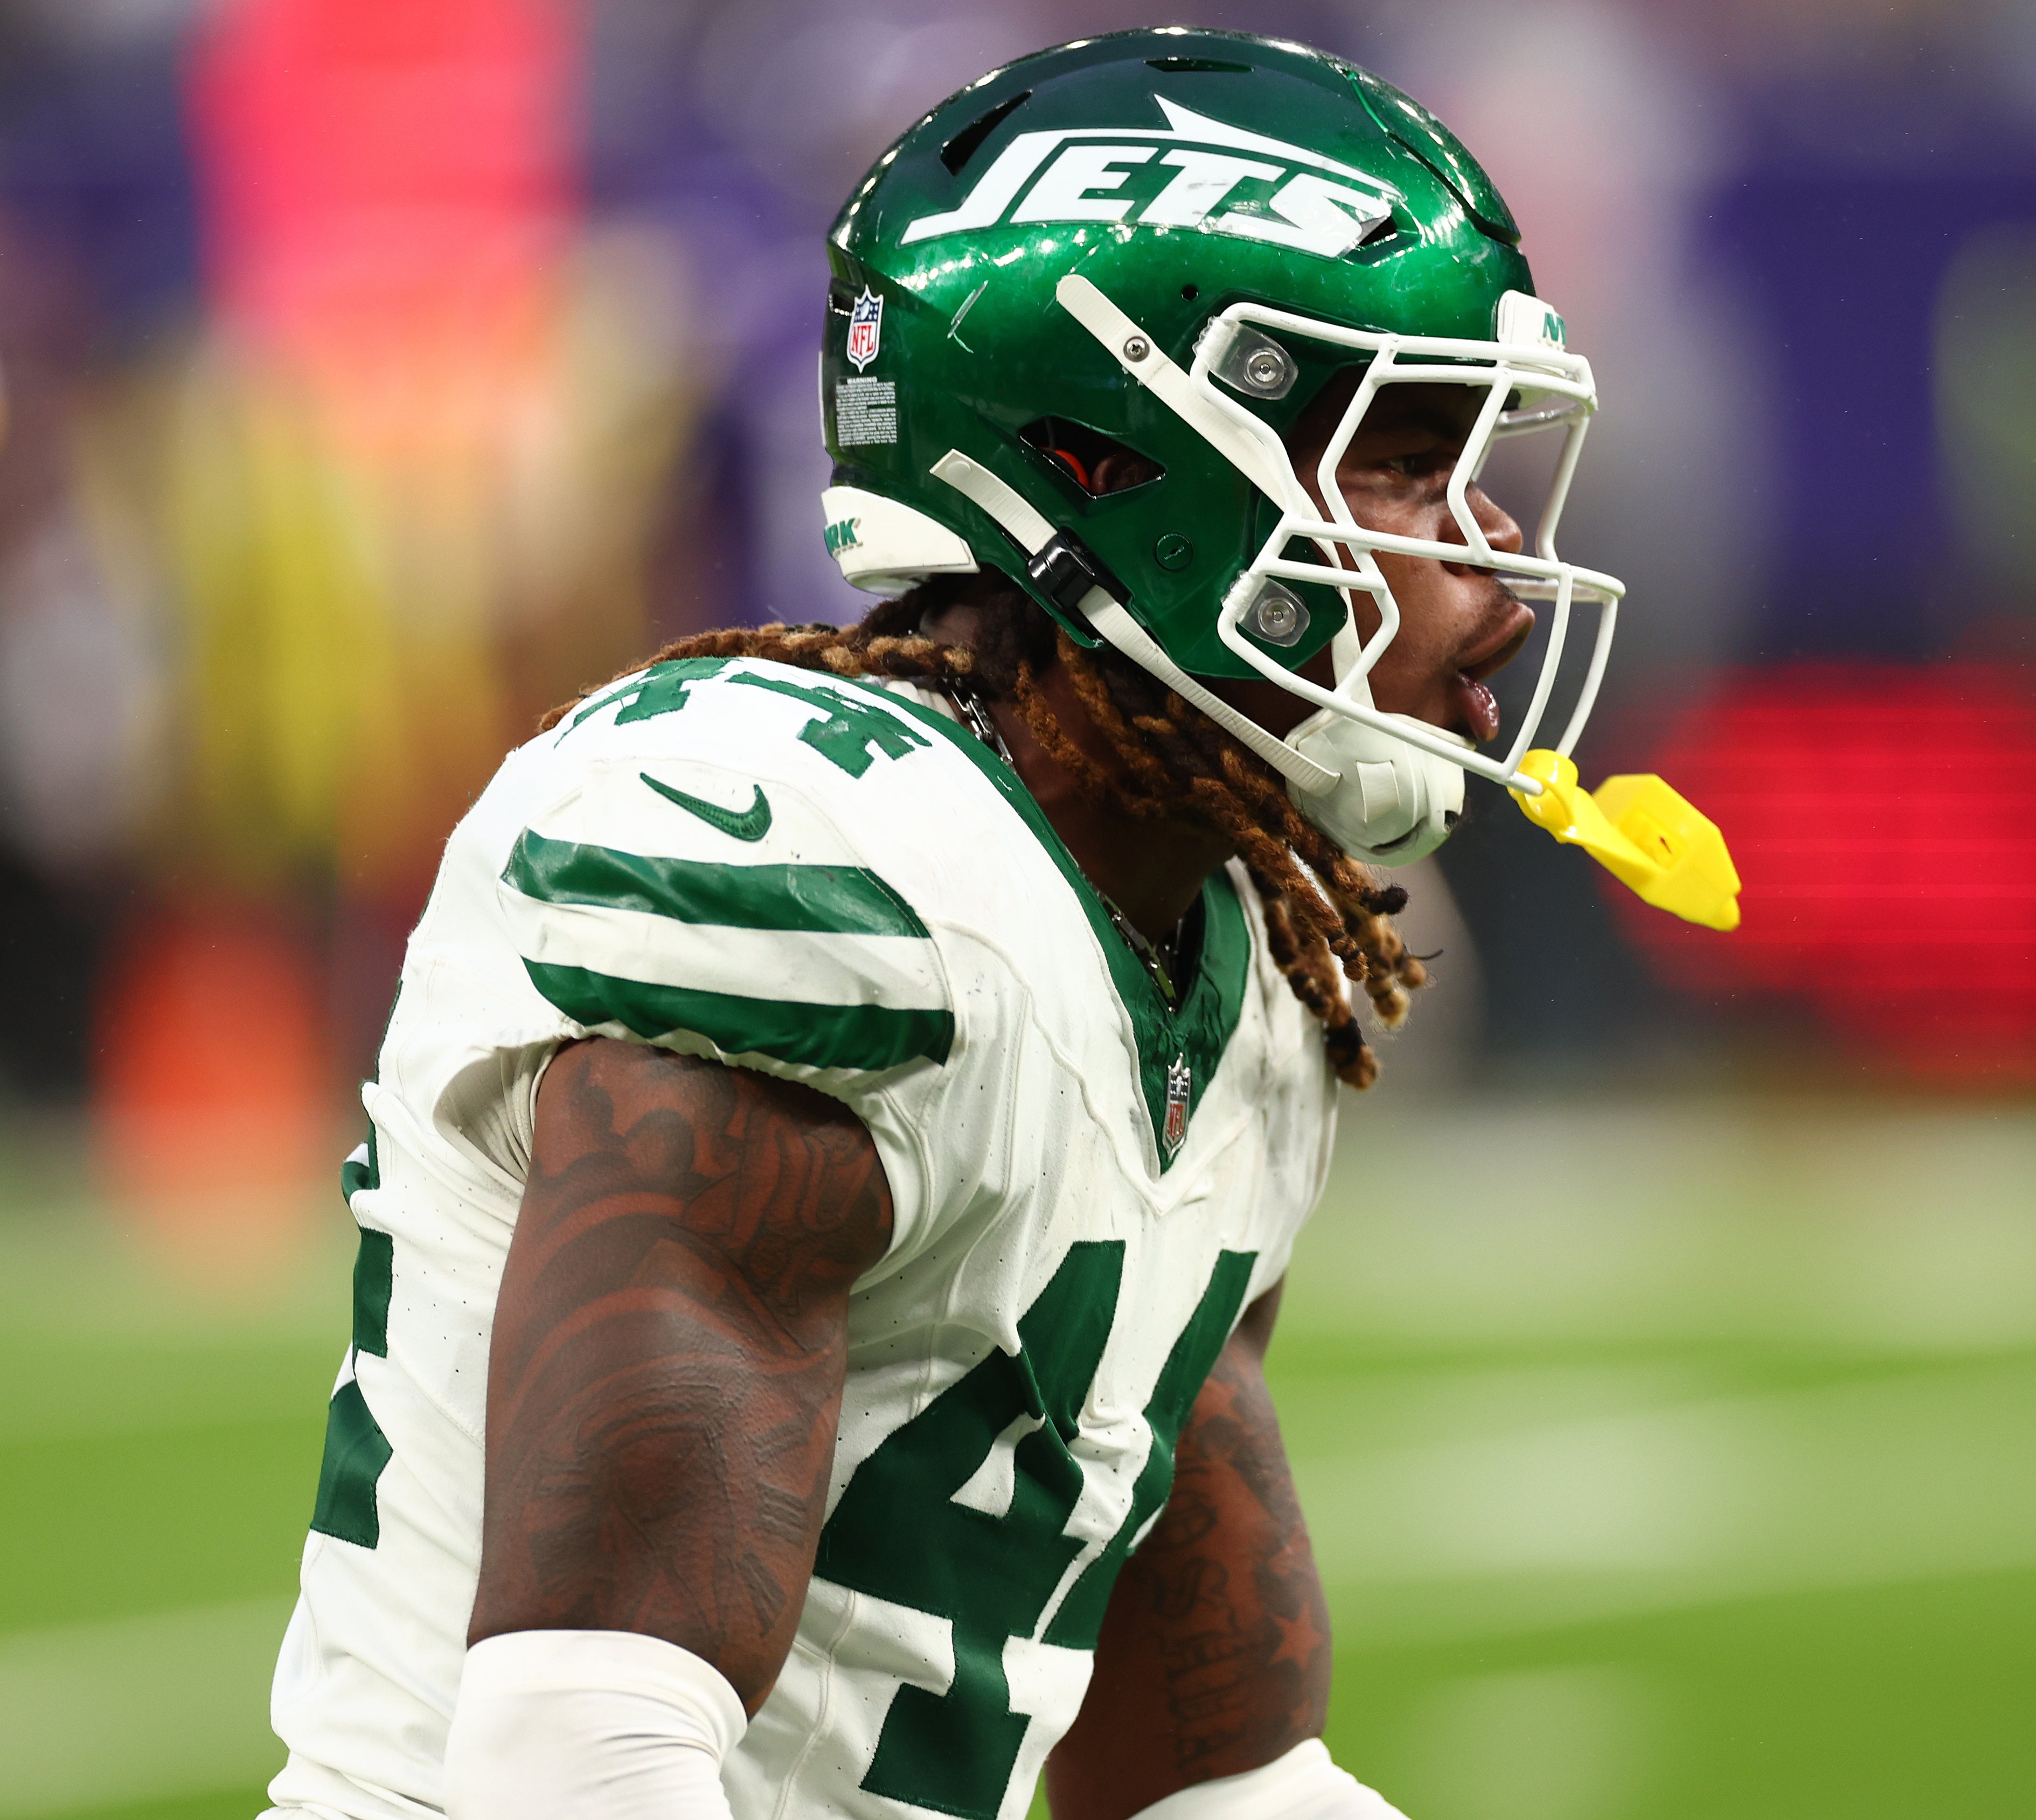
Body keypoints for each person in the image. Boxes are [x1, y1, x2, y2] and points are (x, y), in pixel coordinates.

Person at [259, 26, 1717, 1820]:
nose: (1488, 561)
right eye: (1405, 461)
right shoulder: (811, 866)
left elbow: (1213, 1779)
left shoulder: (1231, 961)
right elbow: (581, 1758)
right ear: (1118, 464)